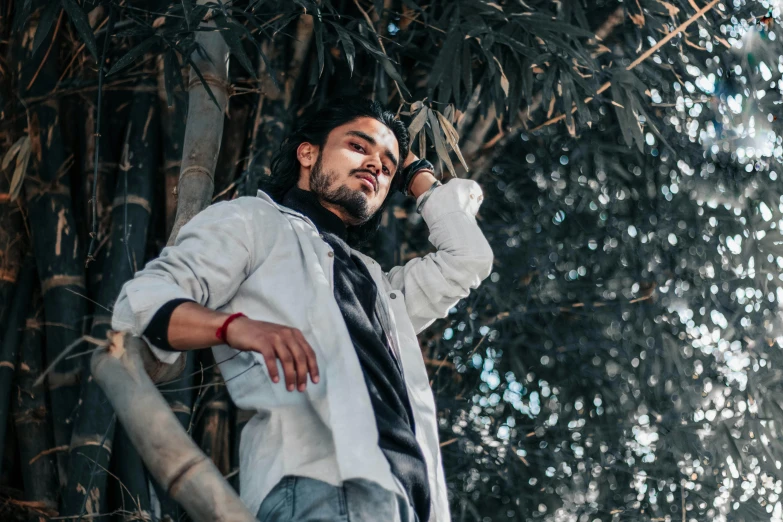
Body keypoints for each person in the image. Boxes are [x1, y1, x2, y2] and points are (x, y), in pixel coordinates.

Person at [111, 98, 493, 522]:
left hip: (409, 503)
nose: (375, 167)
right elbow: (142, 302)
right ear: (307, 153)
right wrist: (235, 328)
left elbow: (467, 260)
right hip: (321, 488)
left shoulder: (380, 287)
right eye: (358, 146)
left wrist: (417, 174)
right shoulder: (254, 221)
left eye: (387, 167)